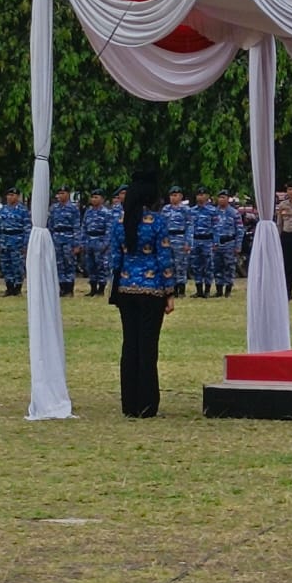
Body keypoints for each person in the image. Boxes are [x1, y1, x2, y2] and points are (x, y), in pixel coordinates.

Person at [108, 171, 175, 418]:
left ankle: (130, 403)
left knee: (130, 345)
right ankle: (147, 404)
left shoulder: (119, 222)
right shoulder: (157, 222)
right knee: (148, 347)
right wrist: (170, 291)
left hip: (126, 288)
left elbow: (115, 258)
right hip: (152, 290)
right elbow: (164, 258)